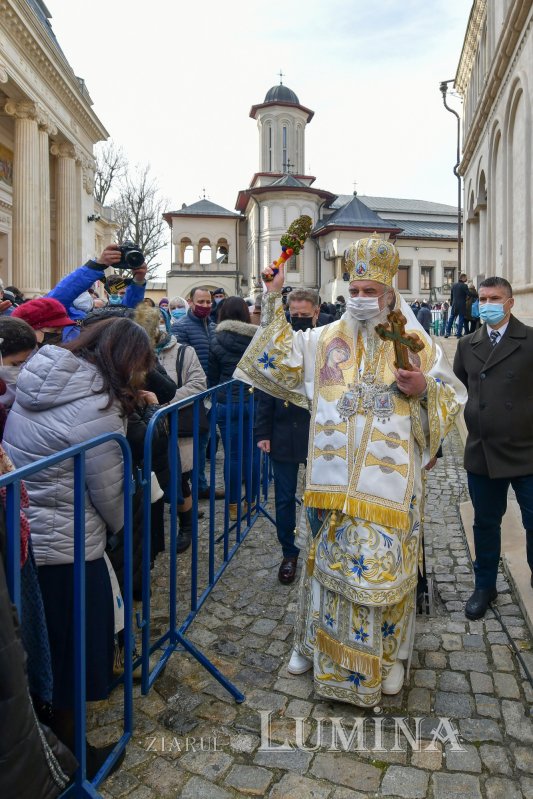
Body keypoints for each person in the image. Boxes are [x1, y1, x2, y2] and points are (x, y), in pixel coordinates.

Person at [235, 235, 466, 706]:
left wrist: (423, 388)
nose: (361, 298)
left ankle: (391, 657)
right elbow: (278, 359)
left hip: (391, 489)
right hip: (332, 485)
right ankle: (314, 645)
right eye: (355, 290)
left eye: (370, 292)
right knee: (326, 570)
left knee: (385, 573)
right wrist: (274, 295)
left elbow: (450, 399)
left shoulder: (416, 343)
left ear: (389, 294)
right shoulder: (323, 340)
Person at [2, 317, 154, 777]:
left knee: (41, 646)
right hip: (67, 543)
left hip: (27, 531)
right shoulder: (98, 407)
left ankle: (49, 741)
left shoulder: (42, 374)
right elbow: (110, 495)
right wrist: (130, 522)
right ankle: (74, 757)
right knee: (70, 655)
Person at [453, 276, 533, 619]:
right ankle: (485, 586)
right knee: (485, 524)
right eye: (482, 298)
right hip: (483, 450)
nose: (486, 304)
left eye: (494, 298)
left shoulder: (530, 341)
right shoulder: (467, 344)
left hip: (527, 450)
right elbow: (459, 388)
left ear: (510, 302)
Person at [255, 291, 320, 584]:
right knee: (283, 498)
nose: (299, 319)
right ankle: (289, 553)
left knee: (320, 493)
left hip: (318, 431)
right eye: (294, 314)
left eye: (304, 314)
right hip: (282, 431)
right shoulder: (280, 341)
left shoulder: (328, 341)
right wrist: (262, 432)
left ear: (316, 312)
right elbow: (266, 387)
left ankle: (320, 548)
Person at [137, 304, 207, 552]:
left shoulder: (183, 352)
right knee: (149, 483)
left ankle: (186, 527)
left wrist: (163, 402)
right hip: (144, 427)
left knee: (180, 479)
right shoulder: (132, 353)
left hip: (176, 426)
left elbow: (198, 384)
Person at [208, 297, 259, 520]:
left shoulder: (216, 339)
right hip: (253, 399)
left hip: (227, 401)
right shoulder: (256, 338)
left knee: (233, 456)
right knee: (253, 453)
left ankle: (233, 506)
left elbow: (212, 376)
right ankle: (252, 500)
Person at [173, 286, 223, 500]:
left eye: (208, 302)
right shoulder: (180, 327)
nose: (205, 305)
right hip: (191, 395)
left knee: (203, 442)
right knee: (188, 445)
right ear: (191, 302)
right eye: (200, 301)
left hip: (210, 393)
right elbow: (179, 363)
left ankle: (200, 485)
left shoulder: (213, 327)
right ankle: (185, 489)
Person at [445, 273, 469, 338]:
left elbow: (451, 296)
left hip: (454, 304)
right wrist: (475, 295)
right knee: (461, 319)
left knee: (451, 318)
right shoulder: (464, 286)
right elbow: (468, 294)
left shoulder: (454, 285)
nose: (466, 279)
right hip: (462, 305)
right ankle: (459, 334)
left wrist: (451, 304)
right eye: (466, 278)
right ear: (463, 278)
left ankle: (447, 333)